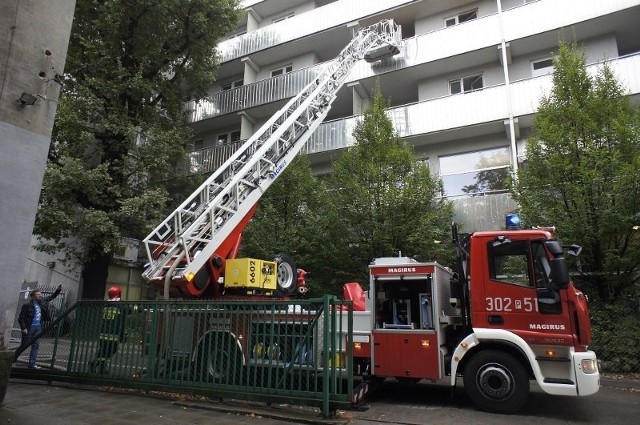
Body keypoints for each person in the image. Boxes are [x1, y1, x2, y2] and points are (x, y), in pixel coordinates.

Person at [17, 284, 63, 369]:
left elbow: (52, 297)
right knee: (24, 345)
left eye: (40, 294)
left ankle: (32, 364)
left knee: (36, 345)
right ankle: (13, 359)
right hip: (29, 328)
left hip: (38, 327)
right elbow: (21, 318)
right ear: (33, 296)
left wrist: (58, 290)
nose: (40, 296)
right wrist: (23, 328)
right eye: (38, 295)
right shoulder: (27, 306)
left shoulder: (42, 302)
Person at [89, 286, 126, 374]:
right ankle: (94, 363)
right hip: (113, 334)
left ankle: (102, 369)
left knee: (103, 350)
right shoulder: (120, 305)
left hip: (103, 333)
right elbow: (130, 310)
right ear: (119, 295)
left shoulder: (106, 304)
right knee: (110, 351)